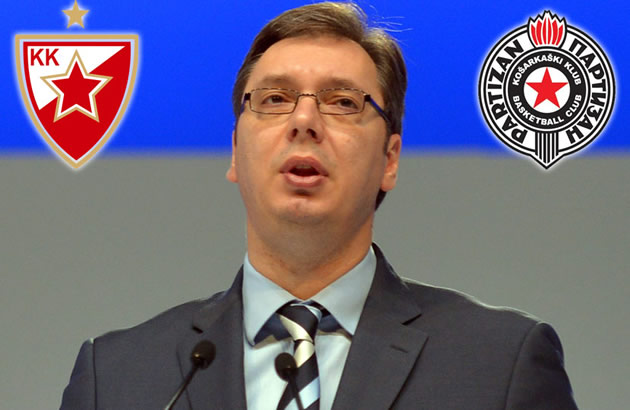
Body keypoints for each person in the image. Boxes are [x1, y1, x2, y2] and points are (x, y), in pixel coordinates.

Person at [61, 2, 578, 409]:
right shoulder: (116, 377)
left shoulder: (499, 364)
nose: (304, 121)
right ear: (235, 152)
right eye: (274, 99)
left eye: (343, 103)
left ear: (390, 159)